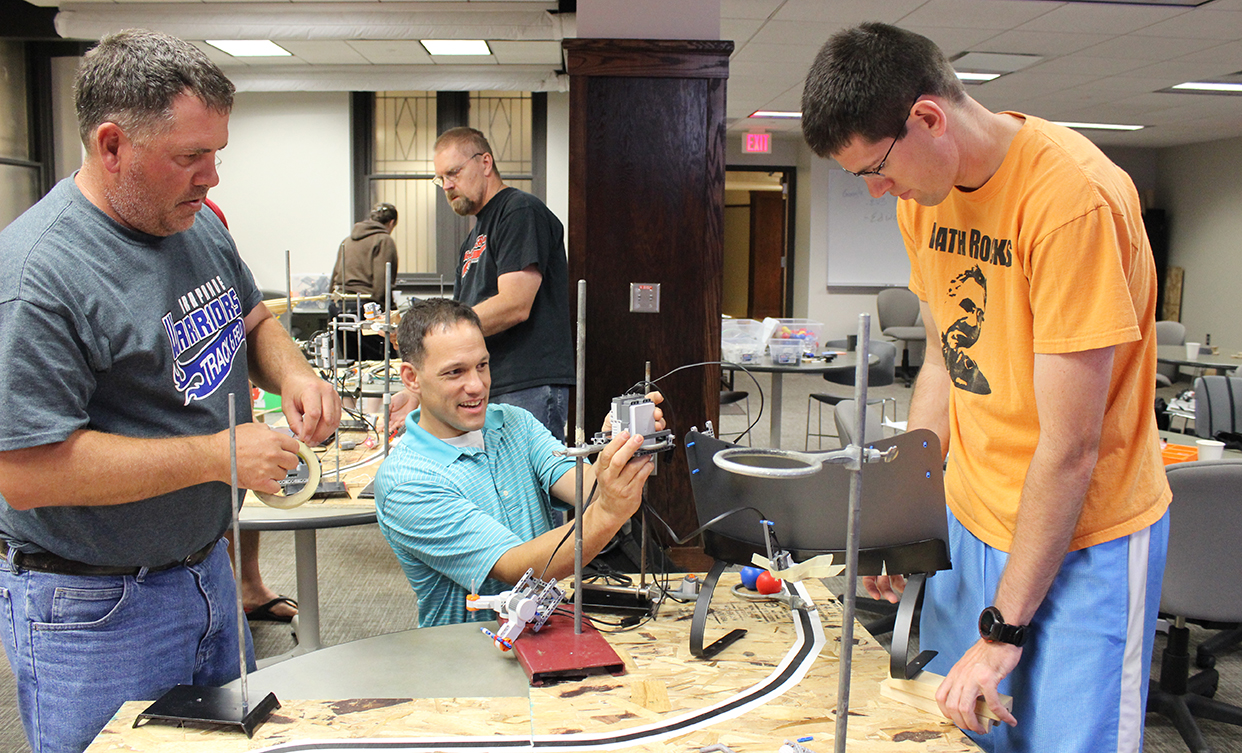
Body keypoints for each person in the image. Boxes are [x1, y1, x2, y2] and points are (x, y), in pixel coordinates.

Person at [801, 23, 1170, 753]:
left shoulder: (1071, 201)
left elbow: (1071, 446)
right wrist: (902, 525)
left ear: (929, 118)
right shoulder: (924, 201)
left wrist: (1004, 629)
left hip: (1084, 536)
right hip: (973, 514)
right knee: (959, 734)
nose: (879, 190)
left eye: (875, 167)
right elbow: (943, 360)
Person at [0, 29, 340, 753]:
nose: (211, 176)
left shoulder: (194, 224)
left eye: (217, 152)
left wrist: (294, 372)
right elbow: (25, 472)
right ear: (113, 145)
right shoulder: (40, 277)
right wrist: (219, 455)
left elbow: (252, 319)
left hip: (206, 572)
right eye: (190, 156)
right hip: (97, 606)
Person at [374, 298, 656, 628]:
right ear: (411, 377)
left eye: (482, 365)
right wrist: (609, 512)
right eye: (455, 372)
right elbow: (518, 567)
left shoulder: (513, 423)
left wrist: (618, 450)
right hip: (468, 656)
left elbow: (587, 488)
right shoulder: (406, 481)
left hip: (542, 632)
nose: (477, 386)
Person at [431, 127, 574, 440]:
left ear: (485, 163)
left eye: (453, 172)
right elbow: (464, 311)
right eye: (440, 178)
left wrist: (440, 335)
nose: (448, 186)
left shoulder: (519, 210)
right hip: (491, 382)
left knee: (532, 486)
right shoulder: (472, 237)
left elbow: (514, 304)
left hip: (527, 383)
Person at [331, 201, 399, 310]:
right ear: (391, 223)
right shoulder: (383, 240)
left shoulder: (347, 241)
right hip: (365, 303)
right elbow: (382, 279)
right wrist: (389, 308)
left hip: (339, 301)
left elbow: (336, 272)